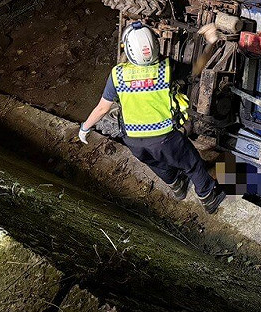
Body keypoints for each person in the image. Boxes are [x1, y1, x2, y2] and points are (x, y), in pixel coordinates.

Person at [78, 21, 225, 213]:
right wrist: (210, 43)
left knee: (158, 164)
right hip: (164, 138)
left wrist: (85, 128)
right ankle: (208, 197)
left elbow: (102, 108)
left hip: (134, 141)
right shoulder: (166, 68)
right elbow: (197, 69)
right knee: (192, 164)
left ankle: (178, 186)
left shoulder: (117, 74)